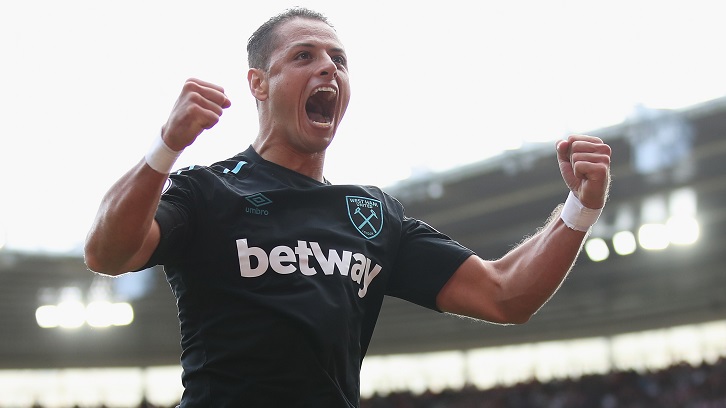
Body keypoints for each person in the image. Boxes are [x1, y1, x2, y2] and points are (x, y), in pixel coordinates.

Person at [84, 7, 611, 408]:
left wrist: (580, 208)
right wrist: (166, 147)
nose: (328, 70)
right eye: (304, 56)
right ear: (258, 83)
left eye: (339, 60)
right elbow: (107, 252)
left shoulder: (372, 214)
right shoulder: (208, 190)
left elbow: (505, 296)